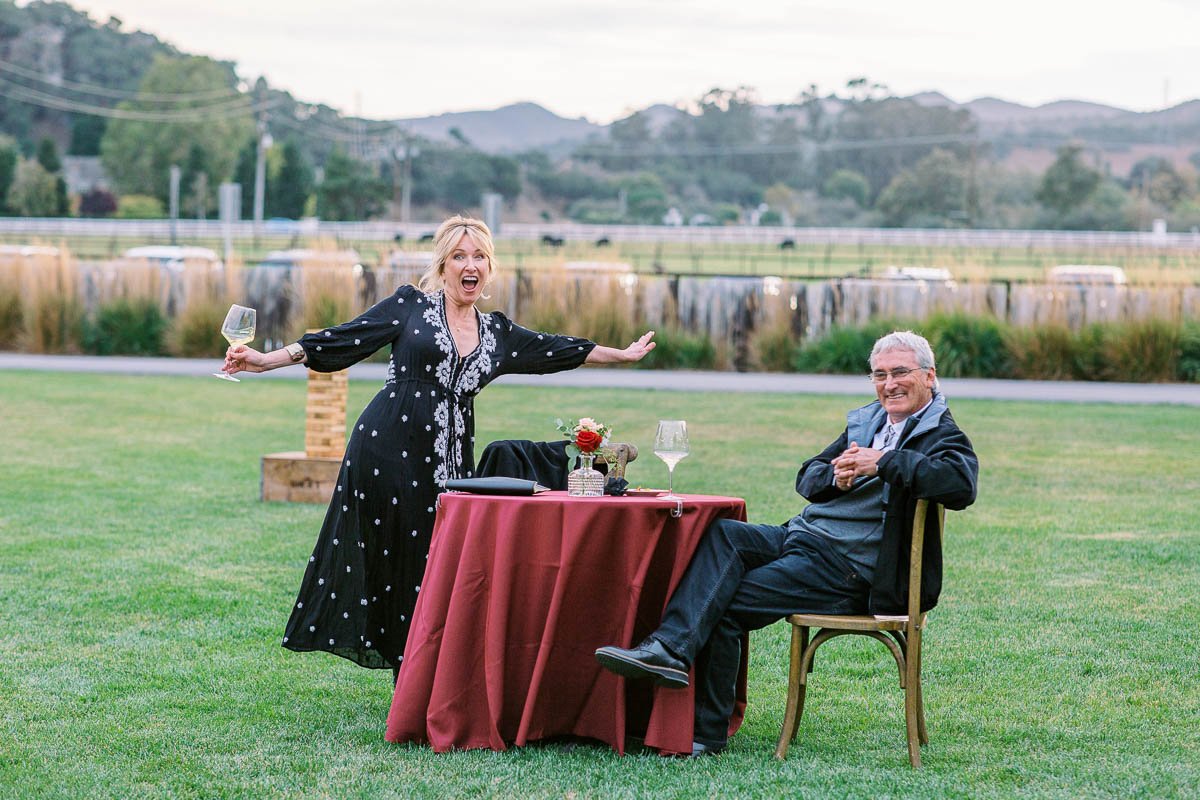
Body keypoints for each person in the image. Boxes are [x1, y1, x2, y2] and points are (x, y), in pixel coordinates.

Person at [222, 215, 655, 673]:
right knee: (402, 559)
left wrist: (620, 356)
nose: (471, 266)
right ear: (443, 265)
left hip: (450, 460)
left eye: (480, 257)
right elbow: (346, 338)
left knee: (440, 556)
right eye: (459, 256)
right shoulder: (410, 306)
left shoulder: (497, 334)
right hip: (386, 449)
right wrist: (267, 359)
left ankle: (427, 665)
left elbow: (557, 349)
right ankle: (408, 670)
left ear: (490, 268)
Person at [594, 330, 978, 756]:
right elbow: (806, 477)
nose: (889, 384)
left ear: (929, 375)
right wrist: (835, 475)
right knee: (725, 533)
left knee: (722, 603)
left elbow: (961, 484)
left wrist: (883, 461)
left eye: (900, 373)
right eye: (880, 375)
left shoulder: (941, 434)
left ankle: (701, 727)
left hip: (846, 568)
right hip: (802, 537)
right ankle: (667, 650)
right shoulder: (869, 421)